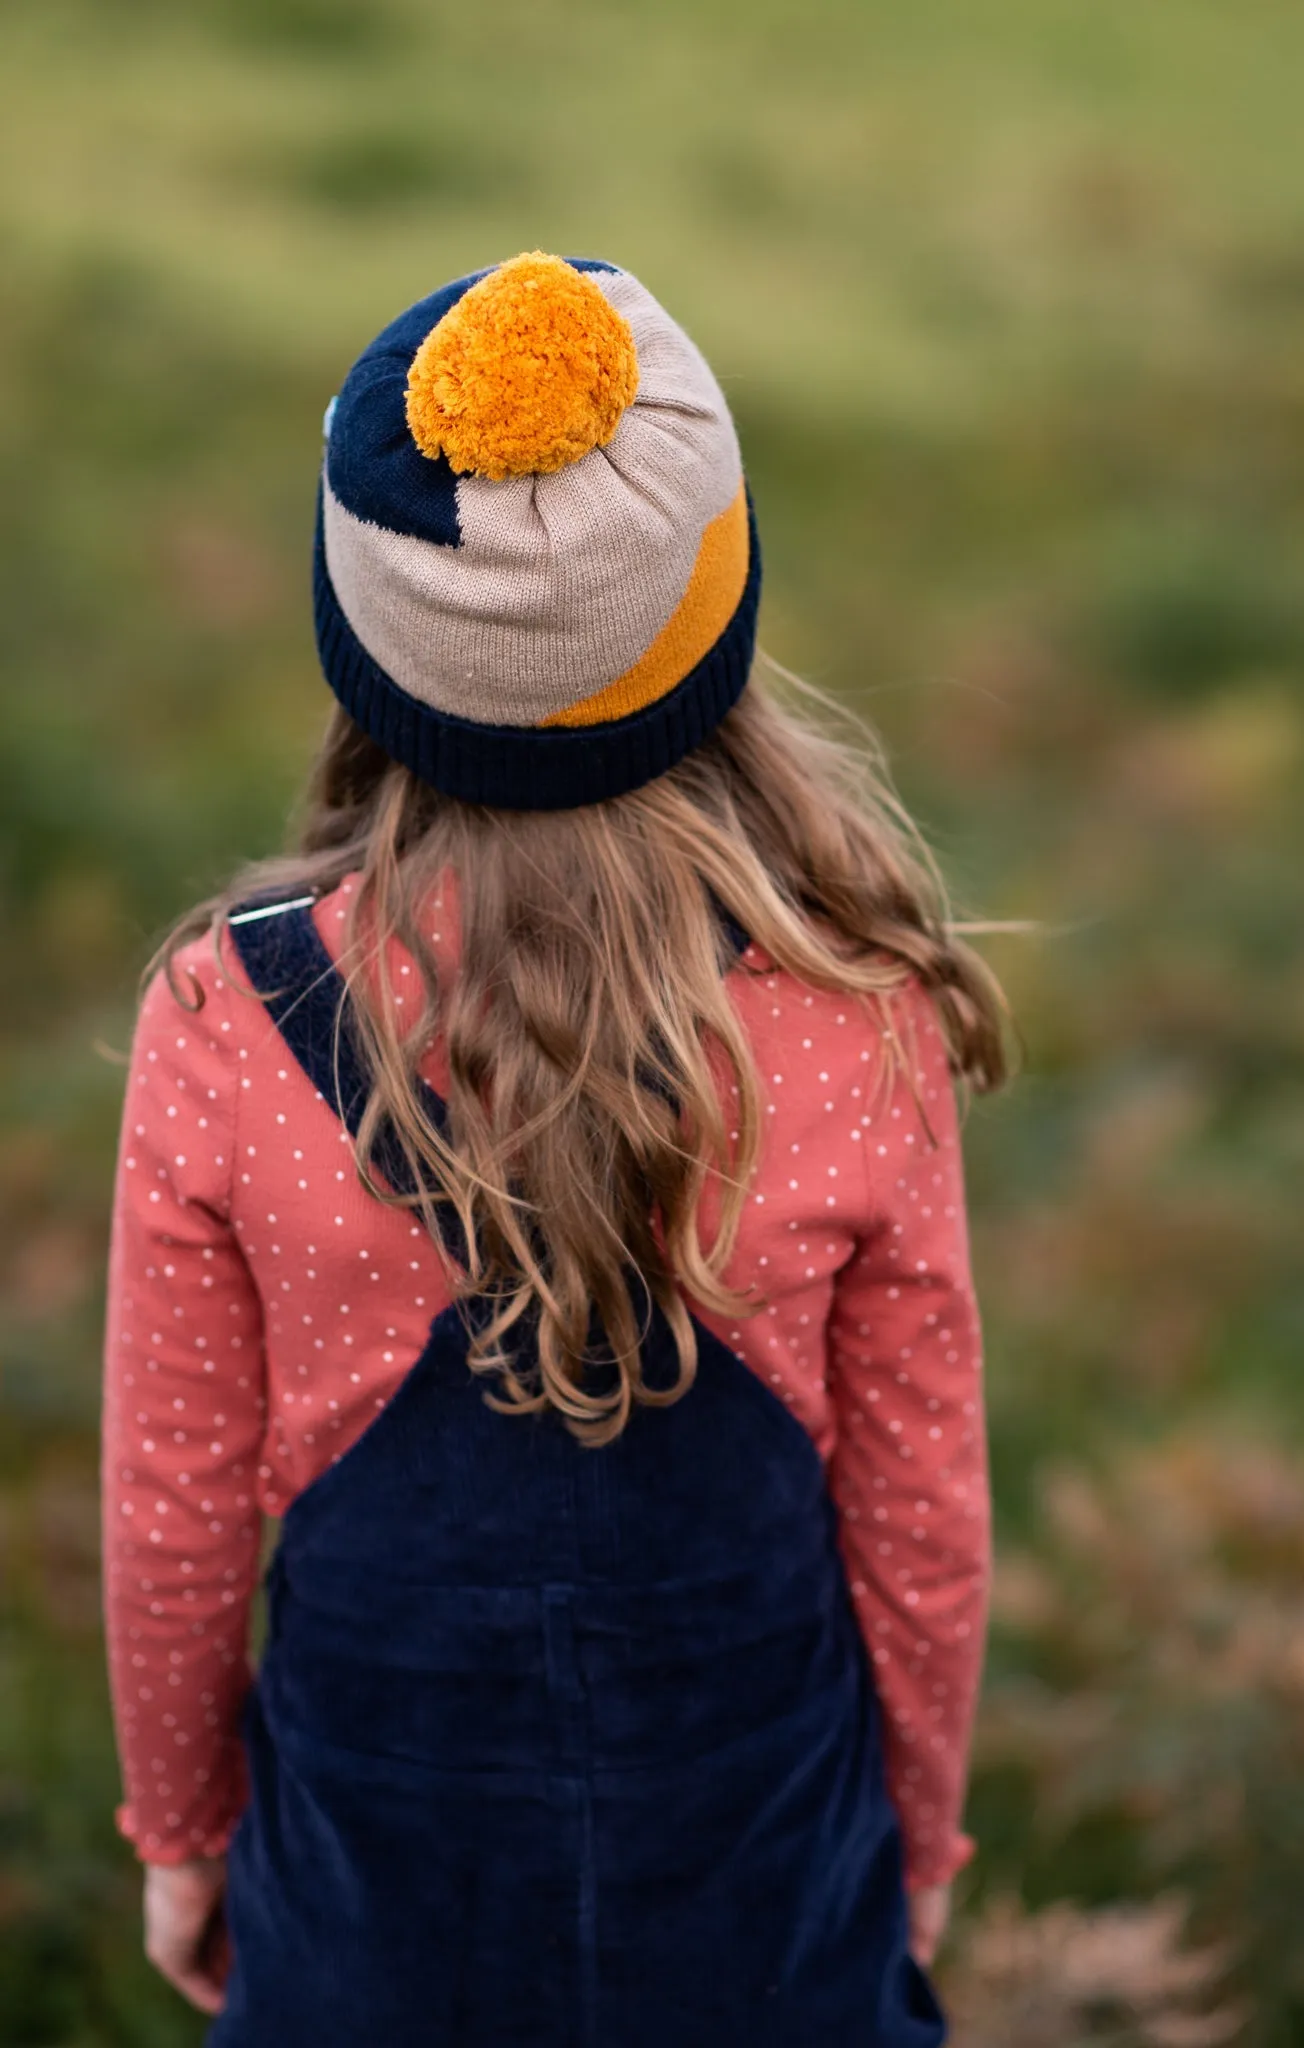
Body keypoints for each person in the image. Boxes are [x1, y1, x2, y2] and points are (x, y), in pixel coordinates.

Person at [100, 250, 1007, 2044]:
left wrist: (185, 1836)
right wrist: (912, 1842)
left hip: (366, 1890)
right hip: (769, 1880)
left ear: (367, 642)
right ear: (714, 607)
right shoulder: (860, 1008)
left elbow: (172, 1513)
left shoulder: (219, 1020)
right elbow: (922, 1511)